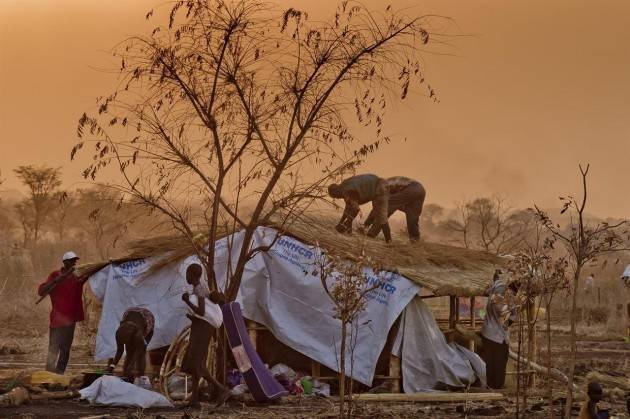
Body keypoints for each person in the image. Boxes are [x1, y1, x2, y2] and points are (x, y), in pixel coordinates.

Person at [181, 263, 231, 408]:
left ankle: (222, 389)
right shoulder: (199, 287)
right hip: (200, 326)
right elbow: (203, 314)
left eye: (187, 274)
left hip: (203, 329)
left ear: (192, 274)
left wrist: (187, 301)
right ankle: (194, 400)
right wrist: (192, 318)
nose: (186, 277)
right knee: (197, 361)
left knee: (196, 363)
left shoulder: (200, 288)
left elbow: (202, 312)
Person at [37, 251, 87, 374]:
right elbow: (41, 291)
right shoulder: (55, 275)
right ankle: (49, 374)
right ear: (65, 262)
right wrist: (55, 281)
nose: (74, 263)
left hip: (70, 320)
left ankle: (59, 375)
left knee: (65, 349)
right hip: (57, 320)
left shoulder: (77, 276)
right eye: (72, 260)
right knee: (53, 348)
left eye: (75, 260)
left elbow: (90, 274)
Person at [479, 277, 521, 389]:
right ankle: (496, 387)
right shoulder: (500, 297)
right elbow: (505, 318)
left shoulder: (495, 289)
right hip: (496, 336)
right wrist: (515, 311)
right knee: (499, 362)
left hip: (488, 333)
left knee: (491, 363)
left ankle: (492, 385)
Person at [327, 174, 391, 242]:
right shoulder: (344, 186)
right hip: (379, 185)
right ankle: (387, 240)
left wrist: (347, 226)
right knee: (379, 213)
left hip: (380, 189)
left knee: (381, 216)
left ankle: (389, 241)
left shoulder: (346, 192)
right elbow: (348, 208)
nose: (337, 198)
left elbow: (356, 209)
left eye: (335, 196)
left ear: (335, 192)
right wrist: (341, 223)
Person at [364, 176, 426, 242]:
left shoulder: (382, 186)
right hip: (421, 190)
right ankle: (415, 240)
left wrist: (366, 224)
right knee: (412, 216)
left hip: (410, 188)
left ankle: (371, 234)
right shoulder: (390, 185)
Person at [108, 307, 155, 381]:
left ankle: (140, 377)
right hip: (132, 318)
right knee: (129, 352)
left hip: (146, 321)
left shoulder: (138, 335)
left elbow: (139, 350)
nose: (127, 344)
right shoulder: (119, 332)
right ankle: (125, 376)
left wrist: (131, 364)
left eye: (127, 342)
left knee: (141, 353)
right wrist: (112, 366)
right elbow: (119, 350)